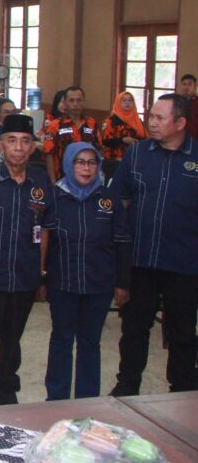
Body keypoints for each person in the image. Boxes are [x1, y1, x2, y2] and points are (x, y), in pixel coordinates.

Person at [110, 94, 198, 396]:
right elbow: (119, 202)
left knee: (182, 332)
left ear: (180, 122)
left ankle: (183, 390)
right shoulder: (137, 154)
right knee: (134, 329)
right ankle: (127, 386)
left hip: (184, 264)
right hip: (141, 260)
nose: (152, 122)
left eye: (160, 117)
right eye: (151, 116)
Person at [0, 114, 54, 408]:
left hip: (25, 275)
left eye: (25, 141)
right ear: (1, 146)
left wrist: (41, 272)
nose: (18, 148)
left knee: (13, 340)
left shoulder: (40, 181)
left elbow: (45, 229)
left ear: (32, 147)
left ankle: (5, 390)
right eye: (12, 141)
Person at [43, 142, 130, 400]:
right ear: (68, 164)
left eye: (92, 162)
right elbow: (44, 241)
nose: (86, 168)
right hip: (62, 284)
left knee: (90, 343)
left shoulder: (109, 199)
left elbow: (123, 242)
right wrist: (42, 278)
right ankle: (56, 398)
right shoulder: (55, 198)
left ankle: (88, 399)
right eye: (79, 162)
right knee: (61, 340)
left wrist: (123, 283)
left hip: (99, 285)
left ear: (99, 166)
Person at [43, 86, 99, 183]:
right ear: (65, 103)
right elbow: (49, 154)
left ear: (83, 102)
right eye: (71, 100)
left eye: (79, 100)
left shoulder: (91, 123)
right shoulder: (54, 125)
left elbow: (98, 150)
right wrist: (52, 181)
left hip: (87, 177)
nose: (75, 104)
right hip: (62, 178)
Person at [99, 91, 147, 162]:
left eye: (130, 100)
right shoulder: (110, 121)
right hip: (114, 160)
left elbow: (144, 139)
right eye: (124, 100)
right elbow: (104, 141)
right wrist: (123, 140)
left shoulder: (138, 121)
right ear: (118, 103)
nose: (127, 102)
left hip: (134, 159)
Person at [177, 73, 198, 138]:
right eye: (184, 84)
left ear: (195, 86)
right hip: (178, 135)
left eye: (190, 84)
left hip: (194, 136)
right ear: (181, 86)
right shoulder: (176, 101)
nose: (186, 87)